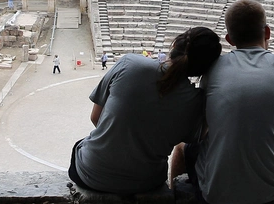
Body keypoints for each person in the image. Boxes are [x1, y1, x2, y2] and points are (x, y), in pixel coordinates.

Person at [170, 0, 274, 204]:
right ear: (267, 32)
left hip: (215, 202)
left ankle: (172, 199)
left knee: (181, 148)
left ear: (229, 39)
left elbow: (204, 128)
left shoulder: (212, 71)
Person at [69, 27, 221, 195]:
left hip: (91, 173)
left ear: (174, 45)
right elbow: (193, 138)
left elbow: (95, 117)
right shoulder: (196, 101)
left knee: (81, 146)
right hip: (146, 182)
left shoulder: (129, 63)